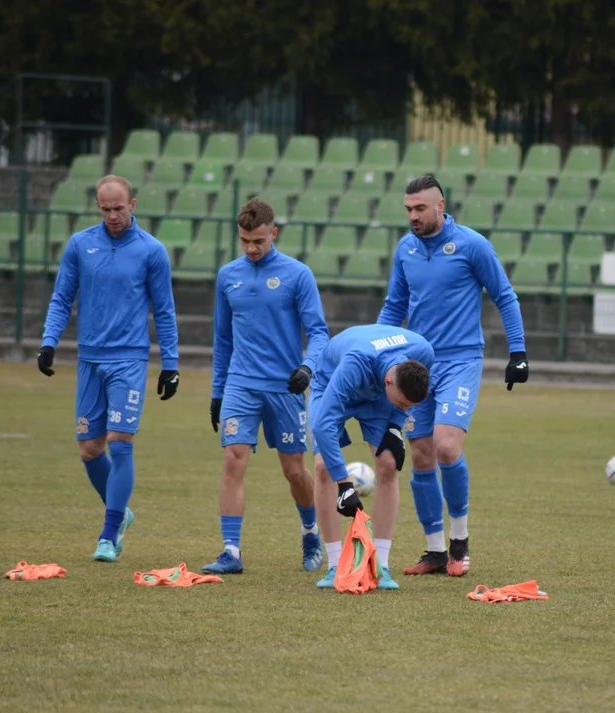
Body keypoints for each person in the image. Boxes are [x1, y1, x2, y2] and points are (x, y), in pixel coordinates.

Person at [376, 175, 527, 578]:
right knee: (421, 454)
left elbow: (504, 295)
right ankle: (435, 551)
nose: (413, 216)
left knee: (445, 445)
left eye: (420, 209)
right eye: (408, 209)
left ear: (440, 205)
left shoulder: (472, 245)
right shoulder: (405, 249)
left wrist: (519, 352)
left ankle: (460, 542)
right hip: (416, 366)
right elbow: (393, 308)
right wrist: (379, 354)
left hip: (461, 360)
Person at [37, 174, 180, 563]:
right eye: (106, 209)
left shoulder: (152, 251)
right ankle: (122, 512)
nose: (113, 216)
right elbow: (62, 297)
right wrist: (49, 342)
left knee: (120, 442)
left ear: (133, 204)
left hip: (130, 359)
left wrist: (171, 364)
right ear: (97, 207)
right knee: (89, 449)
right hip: (89, 359)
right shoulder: (81, 245)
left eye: (119, 208)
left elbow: (164, 311)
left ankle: (108, 532)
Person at [202, 198, 330, 575]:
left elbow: (320, 333)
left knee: (294, 470)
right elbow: (222, 340)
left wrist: (308, 367)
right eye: (244, 241)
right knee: (232, 461)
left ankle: (310, 533)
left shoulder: (298, 274)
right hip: (241, 385)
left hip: (285, 388)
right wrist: (217, 391)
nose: (251, 248)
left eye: (258, 241)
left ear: (273, 233)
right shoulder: (228, 276)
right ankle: (231, 552)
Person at [308, 324, 434, 590]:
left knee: (389, 465)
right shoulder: (356, 363)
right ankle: (334, 566)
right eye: (402, 404)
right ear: (390, 381)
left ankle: (381, 566)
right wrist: (344, 484)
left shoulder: (423, 352)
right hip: (332, 383)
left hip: (377, 398)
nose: (405, 409)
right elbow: (322, 426)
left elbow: (404, 402)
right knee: (322, 467)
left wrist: (395, 423)